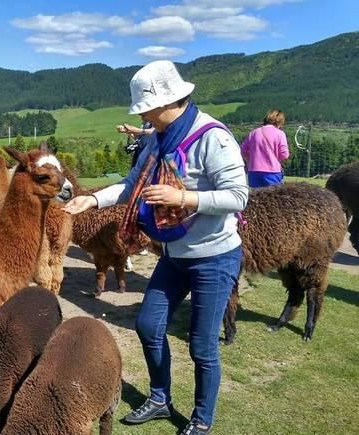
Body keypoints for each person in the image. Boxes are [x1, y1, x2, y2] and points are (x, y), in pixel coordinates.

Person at [64, 60, 248, 435]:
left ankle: (201, 419)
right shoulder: (156, 139)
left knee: (201, 344)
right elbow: (132, 183)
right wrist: (93, 201)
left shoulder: (214, 137)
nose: (142, 115)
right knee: (148, 325)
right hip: (175, 253)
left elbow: (238, 196)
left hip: (213, 255)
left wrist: (184, 197)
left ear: (166, 102)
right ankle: (160, 397)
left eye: (145, 108)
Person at [117, 121, 155, 271]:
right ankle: (140, 243)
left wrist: (137, 130)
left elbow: (156, 132)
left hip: (148, 170)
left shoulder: (154, 123)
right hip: (140, 167)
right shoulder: (146, 122)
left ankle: (145, 242)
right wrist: (131, 133)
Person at [240, 109, 289, 187]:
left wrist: (250, 159)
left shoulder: (254, 132)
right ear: (280, 122)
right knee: (273, 197)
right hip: (272, 171)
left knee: (255, 198)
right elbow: (285, 155)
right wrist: (274, 158)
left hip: (253, 171)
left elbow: (242, 150)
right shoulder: (280, 134)